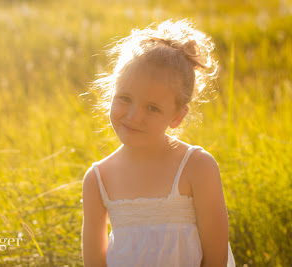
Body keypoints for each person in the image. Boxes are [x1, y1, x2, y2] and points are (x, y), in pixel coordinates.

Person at [81, 18, 236, 267]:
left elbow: (215, 257)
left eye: (152, 108)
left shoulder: (197, 167)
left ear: (176, 116)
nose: (134, 117)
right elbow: (94, 262)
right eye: (124, 98)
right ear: (111, 91)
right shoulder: (98, 179)